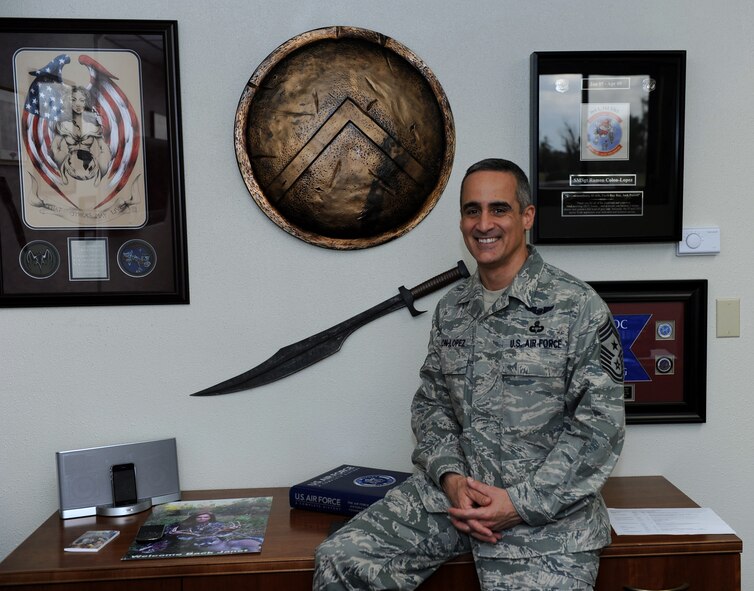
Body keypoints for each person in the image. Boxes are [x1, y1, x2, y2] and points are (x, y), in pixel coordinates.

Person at [313, 158, 625, 590]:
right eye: (471, 210)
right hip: (454, 502)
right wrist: (451, 477)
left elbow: (600, 429)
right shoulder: (452, 309)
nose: (484, 224)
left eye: (499, 209)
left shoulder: (577, 307)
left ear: (527, 216)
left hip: (546, 519)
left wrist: (519, 503)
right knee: (341, 560)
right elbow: (432, 407)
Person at [51, 85, 111, 185]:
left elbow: (104, 148)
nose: (78, 104)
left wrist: (99, 170)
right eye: (74, 100)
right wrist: (62, 163)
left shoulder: (93, 124)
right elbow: (54, 146)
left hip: (90, 169)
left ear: (86, 102)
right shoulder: (64, 124)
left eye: (82, 100)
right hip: (68, 170)